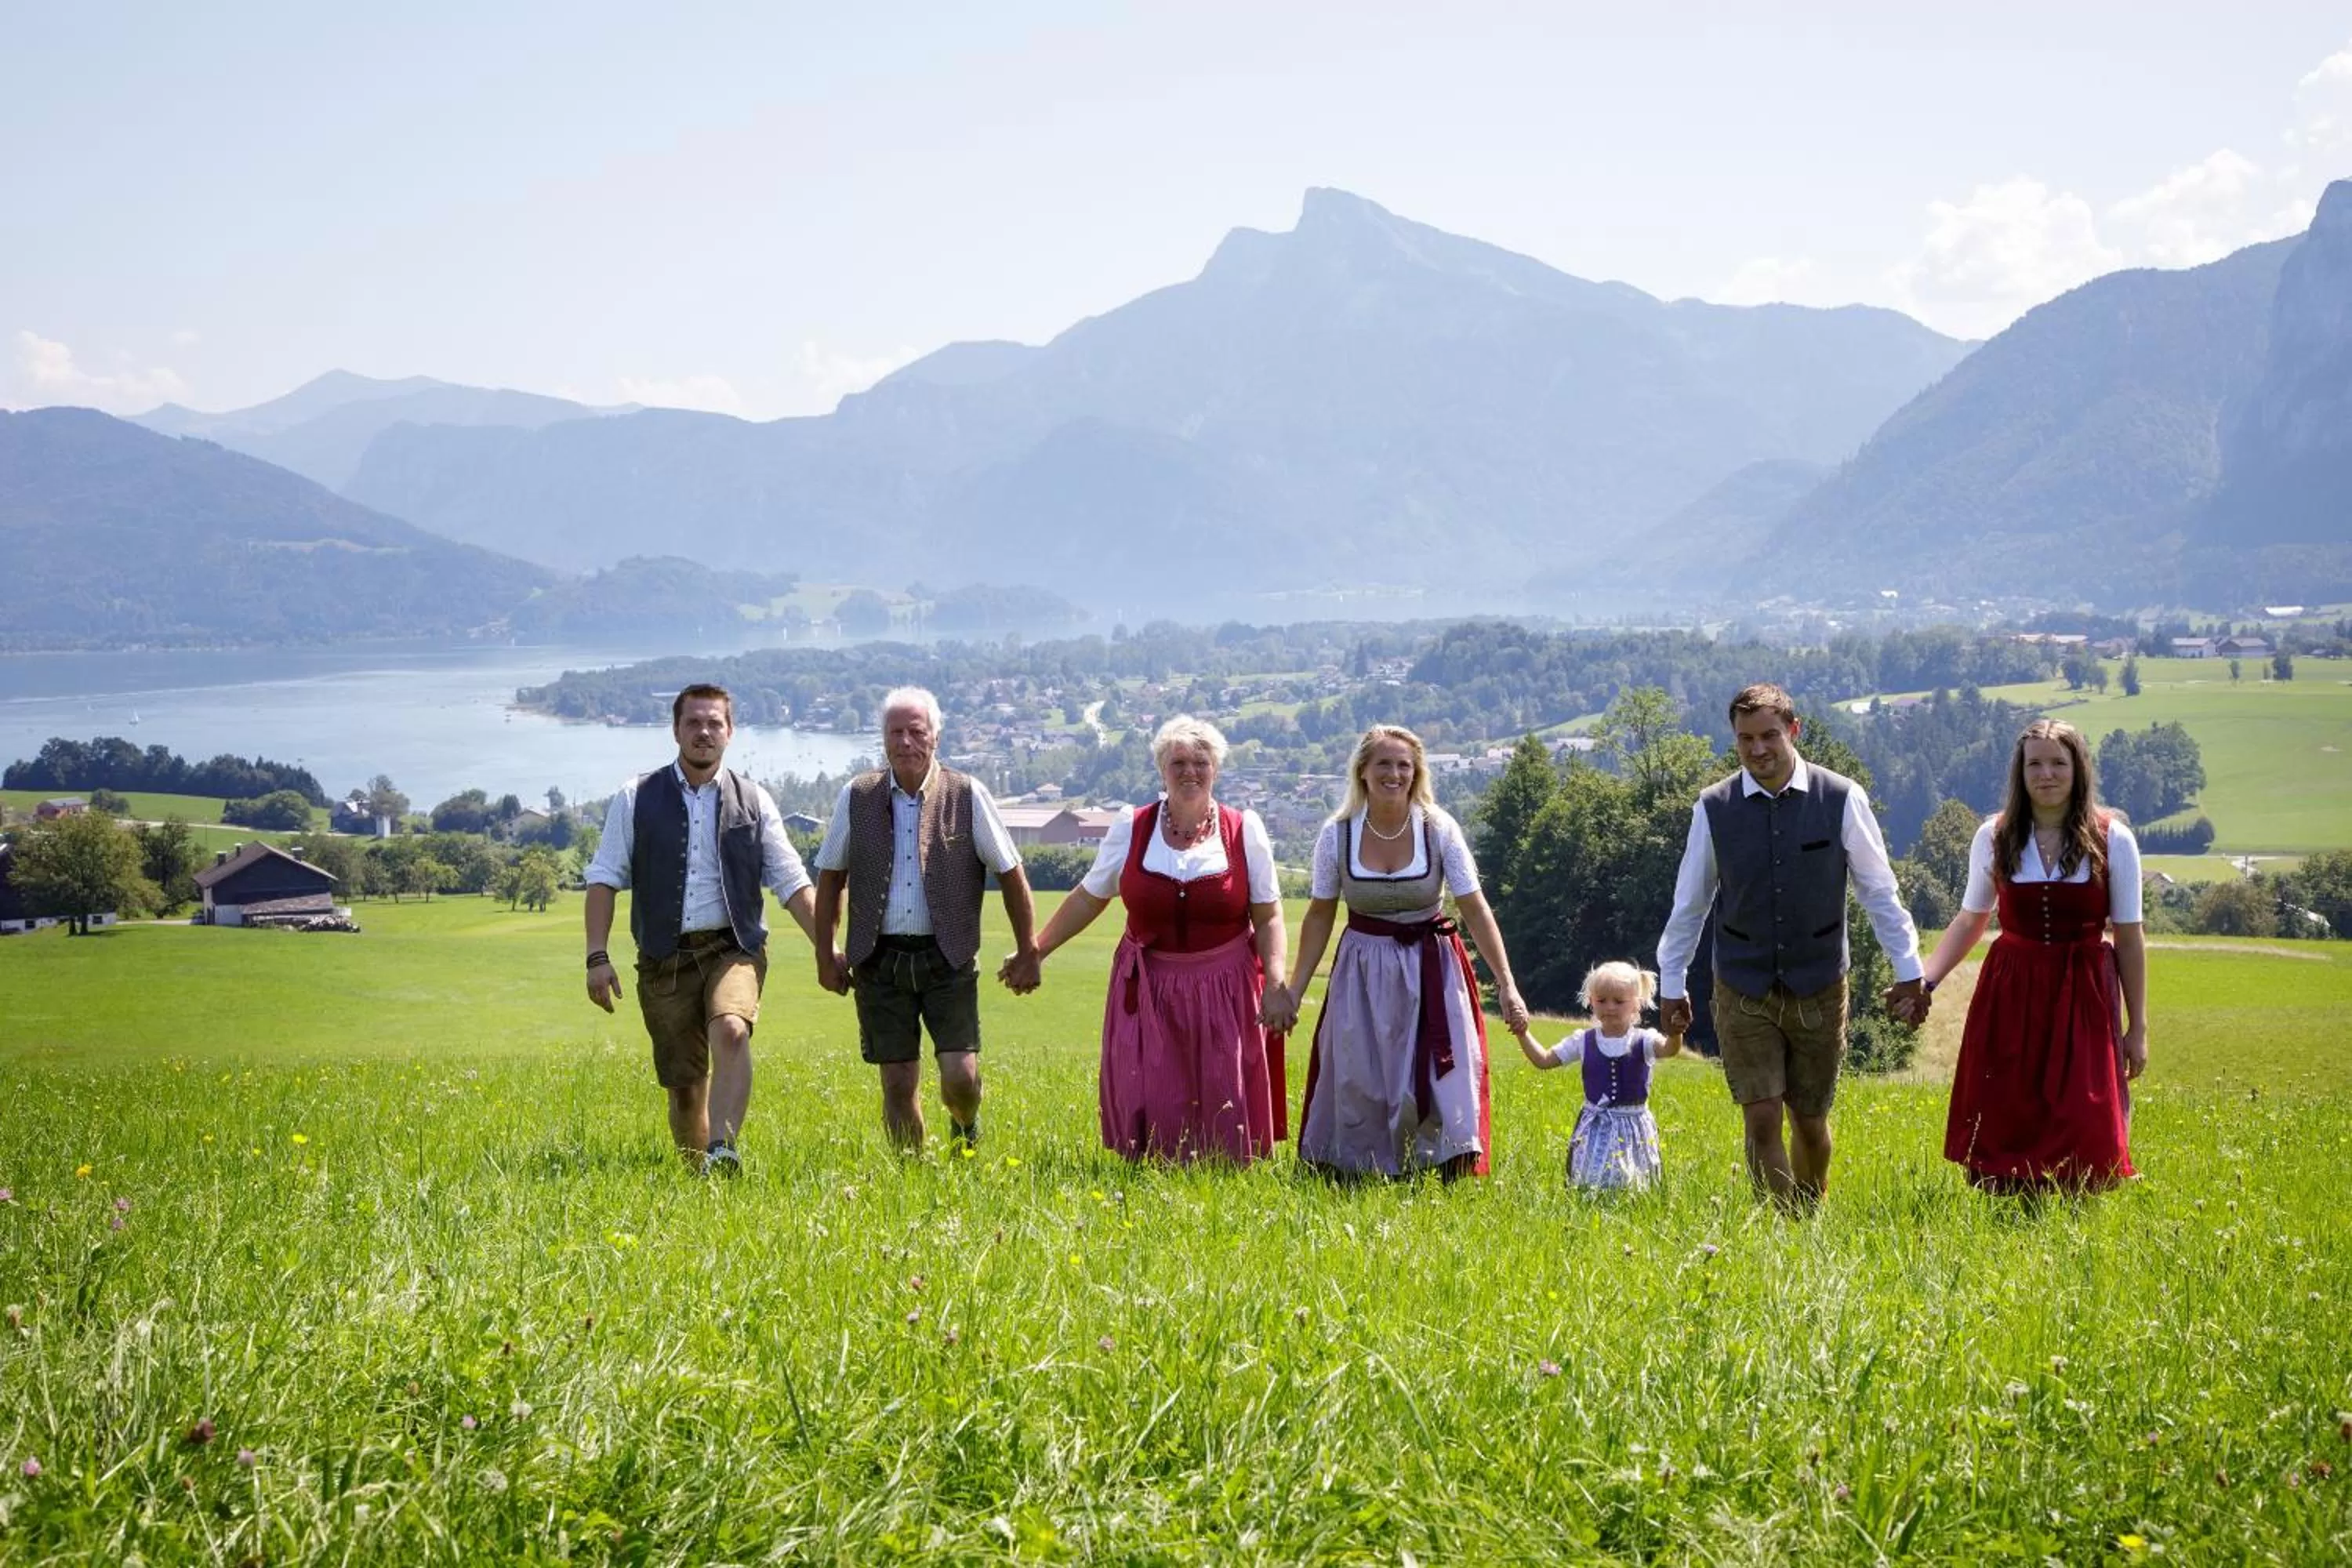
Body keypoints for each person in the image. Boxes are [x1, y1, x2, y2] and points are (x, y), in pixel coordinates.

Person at [1657, 683, 1927, 1207]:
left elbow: (1879, 890)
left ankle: (1809, 1210)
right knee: (1761, 1118)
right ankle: (1781, 1236)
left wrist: (1908, 967)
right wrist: (1671, 984)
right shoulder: (1713, 808)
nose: (1757, 749)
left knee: (1809, 1119)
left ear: (1793, 731)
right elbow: (1690, 904)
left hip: (1820, 981)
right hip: (1742, 982)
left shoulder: (1842, 797)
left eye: (1769, 736)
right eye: (1745, 739)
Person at [1002, 717, 1289, 1163]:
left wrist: (1274, 982)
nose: (1190, 771)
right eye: (1178, 762)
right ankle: (1152, 1178)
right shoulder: (1132, 826)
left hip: (1225, 986)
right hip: (1149, 985)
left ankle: (1225, 1179)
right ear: (1161, 770)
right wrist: (1036, 949)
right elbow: (1089, 896)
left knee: (1221, 1088)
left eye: (1201, 762)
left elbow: (1269, 914)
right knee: (1153, 1091)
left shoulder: (1242, 829)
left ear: (1216, 769)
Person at [583, 683, 820, 1173]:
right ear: (675, 730)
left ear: (730, 733)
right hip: (663, 959)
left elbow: (792, 881)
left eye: (715, 723)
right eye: (693, 722)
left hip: (733, 947)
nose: (704, 732)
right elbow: (604, 877)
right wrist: (597, 957)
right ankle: (700, 1178)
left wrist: (830, 948)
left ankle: (724, 1150)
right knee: (687, 1091)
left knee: (732, 1029)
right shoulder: (636, 797)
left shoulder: (755, 800)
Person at [1279, 724, 1526, 1179]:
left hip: (1433, 965)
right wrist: (1294, 989)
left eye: (1404, 766)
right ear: (1363, 772)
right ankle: (1359, 1166)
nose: (1394, 774)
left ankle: (1440, 1165)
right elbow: (1319, 915)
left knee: (1443, 1070)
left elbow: (1474, 906)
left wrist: (1507, 985)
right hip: (1363, 967)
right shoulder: (1337, 835)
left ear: (1416, 773)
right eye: (1384, 765)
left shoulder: (1439, 828)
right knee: (1359, 1072)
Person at [1922, 720, 2147, 1192]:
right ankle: (2006, 1206)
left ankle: (2076, 1213)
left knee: (2083, 1112)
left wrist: (2137, 1028)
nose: (2047, 774)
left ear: (2078, 770)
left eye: (2058, 763)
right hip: (2011, 987)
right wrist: (1926, 980)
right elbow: (1971, 918)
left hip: (2082, 990)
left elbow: (2129, 936)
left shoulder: (2113, 839)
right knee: (2007, 1102)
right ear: (2020, 773)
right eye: (2035, 764)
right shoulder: (1994, 835)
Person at [811, 687, 1037, 1152]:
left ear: (935, 737)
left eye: (917, 731)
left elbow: (1012, 875)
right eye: (896, 732)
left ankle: (965, 1125)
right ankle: (912, 1179)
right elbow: (830, 878)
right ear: (883, 739)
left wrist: (1028, 950)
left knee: (960, 1077)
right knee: (896, 1082)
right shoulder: (856, 796)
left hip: (948, 959)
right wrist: (825, 953)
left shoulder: (967, 793)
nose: (906, 742)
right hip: (878, 961)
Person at [1510, 960, 1685, 1191]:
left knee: (1633, 1184)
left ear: (1636, 1004)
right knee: (1591, 1182)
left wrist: (1676, 1032)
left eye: (1619, 1001)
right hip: (1595, 1125)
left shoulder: (1644, 1040)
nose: (1610, 1007)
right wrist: (1523, 1033)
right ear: (1591, 1001)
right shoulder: (1583, 1040)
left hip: (1633, 1126)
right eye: (1602, 1000)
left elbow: (1669, 1050)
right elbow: (1543, 1060)